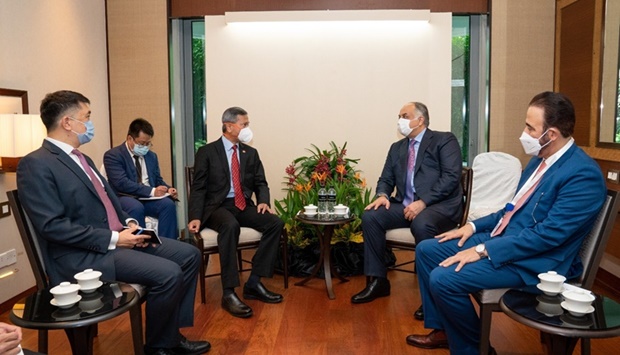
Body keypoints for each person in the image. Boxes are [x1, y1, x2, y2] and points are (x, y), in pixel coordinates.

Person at [406, 92, 606, 354]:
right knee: (427, 250)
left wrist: (482, 250)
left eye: (530, 127)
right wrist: (473, 227)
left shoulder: (582, 174)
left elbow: (548, 236)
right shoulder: (539, 160)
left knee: (444, 279)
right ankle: (445, 329)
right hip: (505, 241)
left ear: (552, 134)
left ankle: (475, 349)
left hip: (537, 262)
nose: (523, 133)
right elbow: (511, 209)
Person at [16, 90, 210, 355]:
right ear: (68, 122)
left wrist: (129, 222)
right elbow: (52, 226)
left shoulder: (83, 158)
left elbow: (110, 200)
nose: (90, 124)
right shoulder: (36, 164)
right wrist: (116, 239)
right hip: (87, 254)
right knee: (168, 273)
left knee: (188, 254)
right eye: (87, 116)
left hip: (117, 238)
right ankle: (160, 346)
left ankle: (167, 334)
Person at [351, 101, 463, 308]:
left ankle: (432, 293)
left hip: (438, 207)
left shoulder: (443, 140)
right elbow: (385, 178)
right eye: (399, 116)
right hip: (406, 206)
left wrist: (424, 202)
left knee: (421, 223)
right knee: (371, 216)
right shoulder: (397, 148)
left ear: (420, 120)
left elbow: (451, 177)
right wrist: (382, 195)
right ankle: (378, 281)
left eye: (404, 116)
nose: (400, 121)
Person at [188, 106, 284, 318]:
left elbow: (261, 182)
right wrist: (195, 216)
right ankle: (229, 292)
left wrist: (264, 201)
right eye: (244, 124)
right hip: (217, 207)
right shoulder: (207, 152)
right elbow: (199, 187)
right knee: (230, 226)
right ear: (229, 126)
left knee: (275, 223)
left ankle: (254, 282)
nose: (248, 128)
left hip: (242, 204)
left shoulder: (250, 152)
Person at [103, 118, 179, 239]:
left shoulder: (151, 156)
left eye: (147, 143)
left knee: (168, 205)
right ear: (129, 138)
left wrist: (168, 189)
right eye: (141, 143)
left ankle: (168, 245)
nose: (145, 147)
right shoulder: (113, 155)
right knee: (135, 207)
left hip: (147, 198)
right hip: (124, 196)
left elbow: (157, 180)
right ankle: (142, 248)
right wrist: (152, 191)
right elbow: (121, 183)